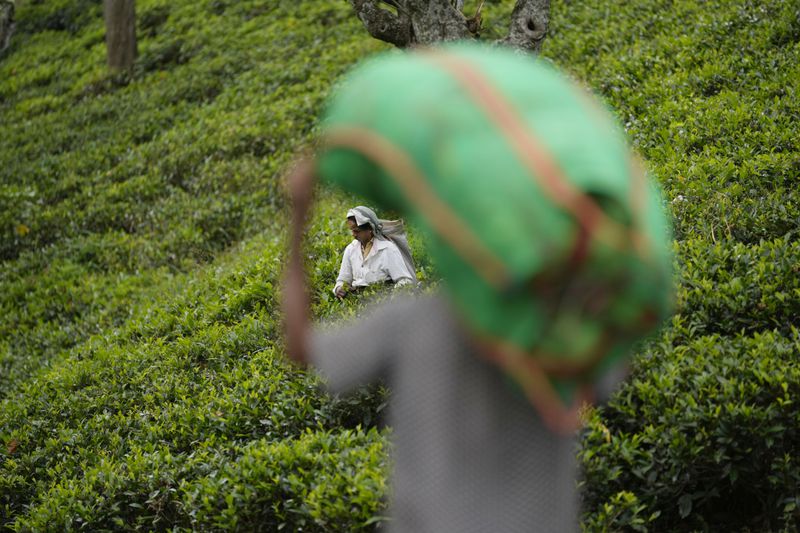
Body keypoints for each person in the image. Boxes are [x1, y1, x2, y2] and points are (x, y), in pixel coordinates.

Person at [283, 43, 673, 532]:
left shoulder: (414, 322)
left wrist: (297, 218)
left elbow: (301, 348)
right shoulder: (556, 331)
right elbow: (611, 362)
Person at [333, 206, 416, 298]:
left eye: (357, 231)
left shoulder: (388, 249)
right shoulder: (350, 249)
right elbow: (343, 280)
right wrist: (338, 288)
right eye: (352, 231)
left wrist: (390, 297)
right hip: (356, 304)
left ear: (370, 230)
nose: (353, 235)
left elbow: (405, 281)